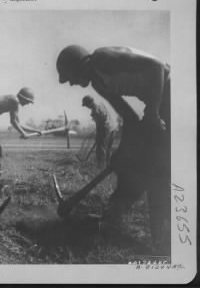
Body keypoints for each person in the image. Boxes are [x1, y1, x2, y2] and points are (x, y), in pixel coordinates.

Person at [56, 45, 170, 249]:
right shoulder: (99, 85)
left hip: (171, 95)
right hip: (156, 103)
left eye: (70, 77)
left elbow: (158, 67)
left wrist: (152, 113)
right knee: (130, 164)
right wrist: (121, 152)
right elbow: (129, 117)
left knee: (154, 168)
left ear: (79, 65)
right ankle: (116, 215)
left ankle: (164, 241)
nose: (72, 82)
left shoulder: (102, 58)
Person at [0, 88, 42, 187]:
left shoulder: (14, 101)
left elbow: (19, 123)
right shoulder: (14, 101)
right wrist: (24, 133)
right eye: (28, 102)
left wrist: (36, 131)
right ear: (23, 98)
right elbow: (13, 122)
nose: (28, 104)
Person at [81, 95, 115, 168]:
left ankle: (100, 167)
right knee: (108, 149)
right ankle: (108, 166)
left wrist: (98, 135)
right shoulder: (100, 104)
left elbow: (98, 124)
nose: (86, 107)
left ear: (89, 103)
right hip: (112, 128)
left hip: (105, 129)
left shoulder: (94, 110)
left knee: (100, 148)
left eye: (86, 105)